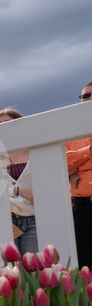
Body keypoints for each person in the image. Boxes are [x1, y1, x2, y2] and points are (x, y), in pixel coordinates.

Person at [0, 108, 38, 255]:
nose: (2, 126)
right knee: (7, 266)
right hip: (4, 217)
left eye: (7, 122)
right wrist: (18, 190)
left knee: (35, 265)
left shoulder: (35, 150)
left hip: (33, 216)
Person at [66, 81, 92, 269]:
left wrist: (80, 164)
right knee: (86, 265)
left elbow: (71, 163)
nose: (89, 99)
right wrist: (90, 150)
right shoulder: (69, 132)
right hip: (82, 207)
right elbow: (62, 162)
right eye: (86, 96)